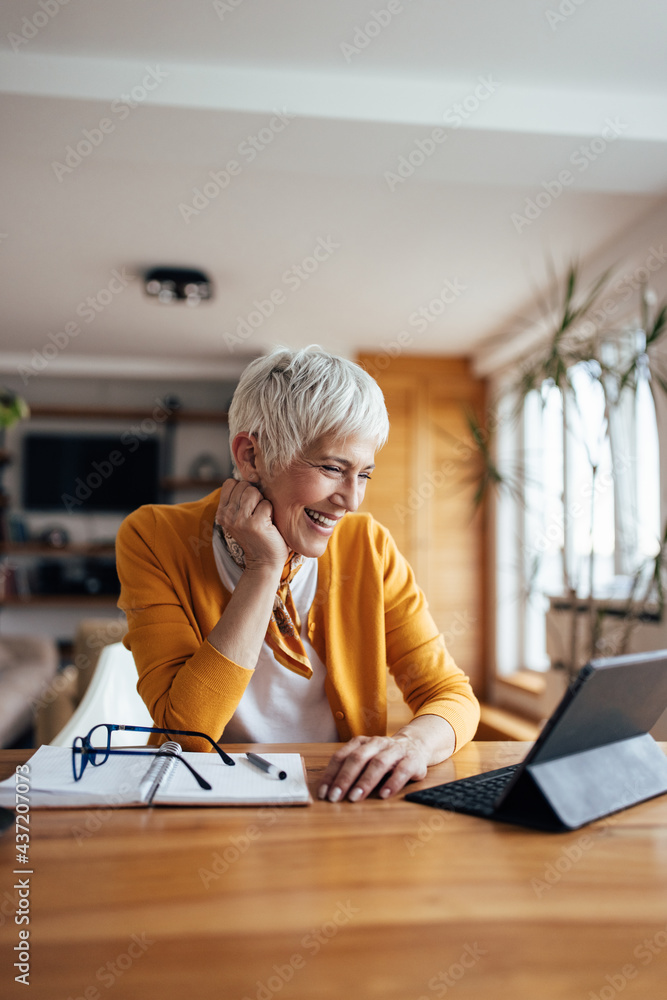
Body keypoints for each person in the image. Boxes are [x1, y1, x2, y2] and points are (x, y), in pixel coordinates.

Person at [116, 347, 479, 802]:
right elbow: (184, 733)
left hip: (341, 800)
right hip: (201, 807)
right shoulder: (154, 537)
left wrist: (412, 744)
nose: (351, 500)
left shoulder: (368, 545)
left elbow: (451, 695)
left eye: (363, 474)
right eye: (332, 468)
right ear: (251, 456)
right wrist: (263, 568)